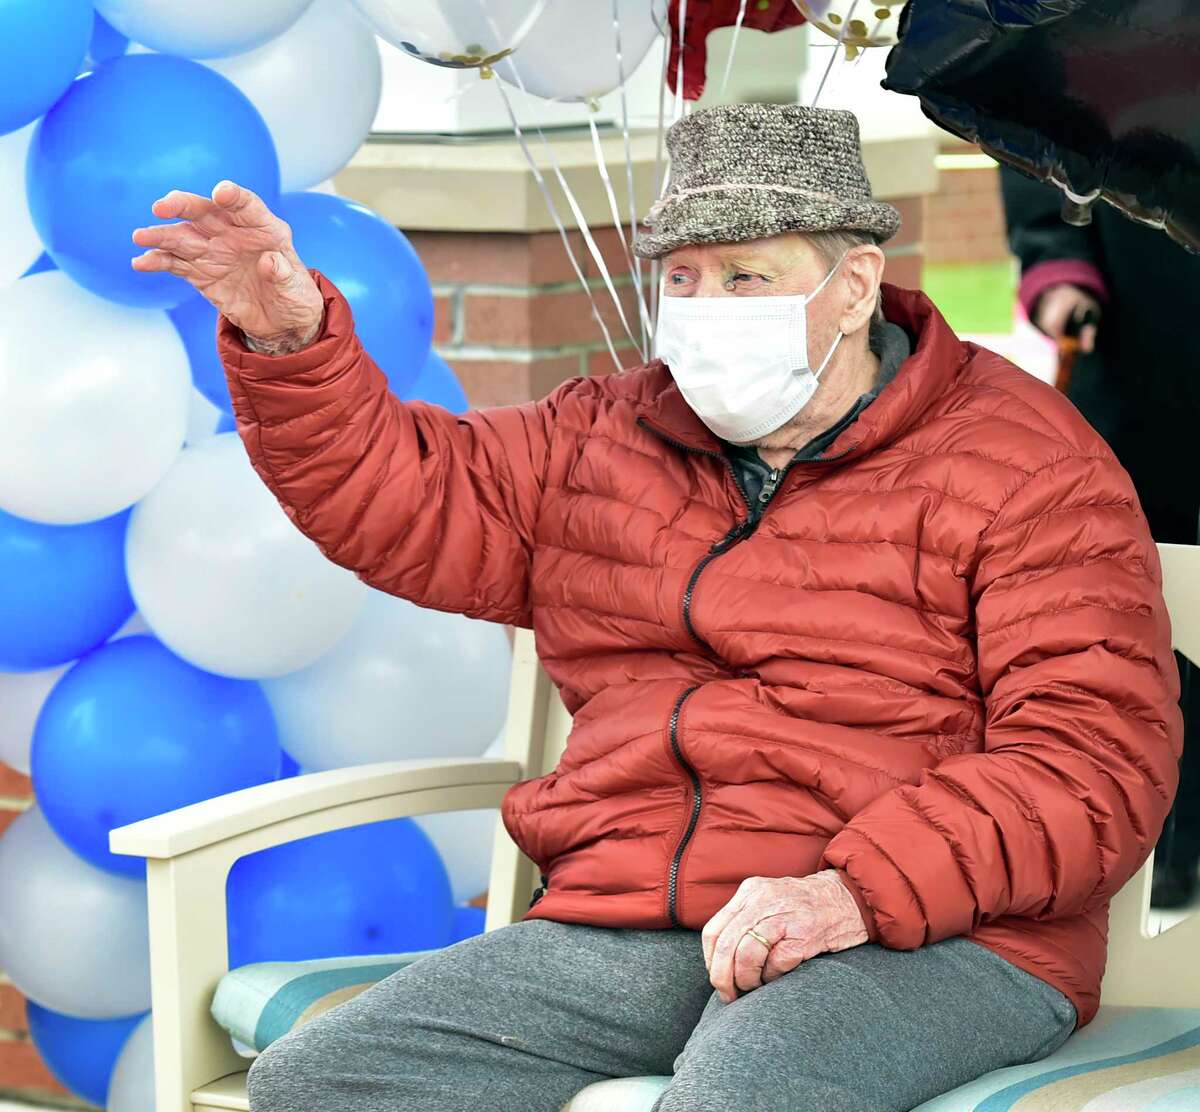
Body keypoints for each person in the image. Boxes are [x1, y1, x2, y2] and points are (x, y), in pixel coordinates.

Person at [131, 103, 1181, 1112]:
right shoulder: (605, 436)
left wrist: (848, 890)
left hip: (933, 927)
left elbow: (1092, 760)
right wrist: (291, 341)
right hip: (633, 918)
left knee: (749, 1089)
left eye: (747, 276)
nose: (711, 307)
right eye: (684, 278)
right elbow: (408, 493)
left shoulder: (1023, 460)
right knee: (330, 1081)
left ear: (856, 284)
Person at [1000, 165, 1200, 908]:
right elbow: (1040, 154)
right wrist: (1058, 265)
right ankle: (1172, 843)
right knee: (1143, 610)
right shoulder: (1087, 50)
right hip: (1134, 345)